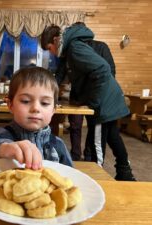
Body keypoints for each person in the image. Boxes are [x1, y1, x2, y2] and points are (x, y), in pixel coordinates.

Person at [41, 24, 136, 181]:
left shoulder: (74, 48)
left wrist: (93, 102)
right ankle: (125, 174)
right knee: (112, 136)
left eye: (49, 48)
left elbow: (103, 69)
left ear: (56, 40)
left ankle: (97, 179)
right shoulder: (71, 49)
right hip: (107, 98)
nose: (51, 53)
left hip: (102, 102)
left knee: (96, 141)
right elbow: (61, 75)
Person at [0, 66, 73, 169]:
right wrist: (2, 148)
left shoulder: (58, 144)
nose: (35, 108)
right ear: (10, 105)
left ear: (53, 110)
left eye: (44, 103)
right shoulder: (2, 136)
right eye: (25, 101)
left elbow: (70, 176)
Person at [54, 22, 117, 161]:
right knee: (75, 126)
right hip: (76, 96)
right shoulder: (69, 49)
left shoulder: (101, 47)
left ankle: (89, 155)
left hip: (95, 96)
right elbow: (59, 74)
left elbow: (110, 71)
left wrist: (101, 93)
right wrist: (49, 86)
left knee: (94, 127)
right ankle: (76, 155)